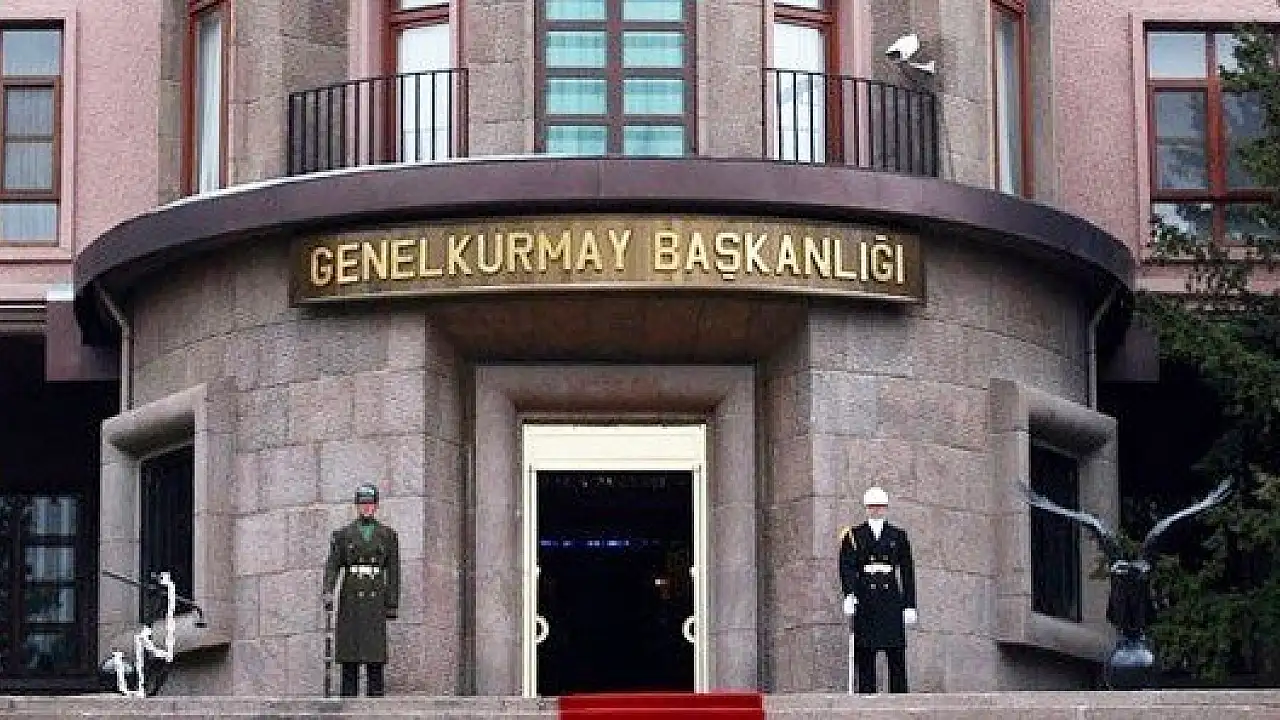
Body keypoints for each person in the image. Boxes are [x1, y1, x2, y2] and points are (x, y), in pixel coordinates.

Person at [323, 484, 400, 697]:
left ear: (376, 506)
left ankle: (376, 699)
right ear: (357, 506)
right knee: (350, 654)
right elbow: (333, 565)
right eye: (363, 504)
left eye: (370, 504)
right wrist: (328, 590)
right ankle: (349, 700)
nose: (367, 507)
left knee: (375, 655)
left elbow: (394, 572)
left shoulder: (388, 535)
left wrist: (392, 604)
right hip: (351, 597)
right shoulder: (343, 535)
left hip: (375, 599)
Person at [838, 486, 917, 693]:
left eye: (880, 506)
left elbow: (907, 571)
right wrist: (849, 594)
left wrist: (909, 604)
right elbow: (847, 567)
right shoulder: (854, 535)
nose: (876, 509)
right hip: (866, 596)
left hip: (890, 597)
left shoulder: (898, 535)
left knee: (896, 651)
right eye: (872, 506)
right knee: (865, 651)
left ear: (886, 508)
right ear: (866, 508)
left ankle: (899, 696)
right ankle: (866, 695)